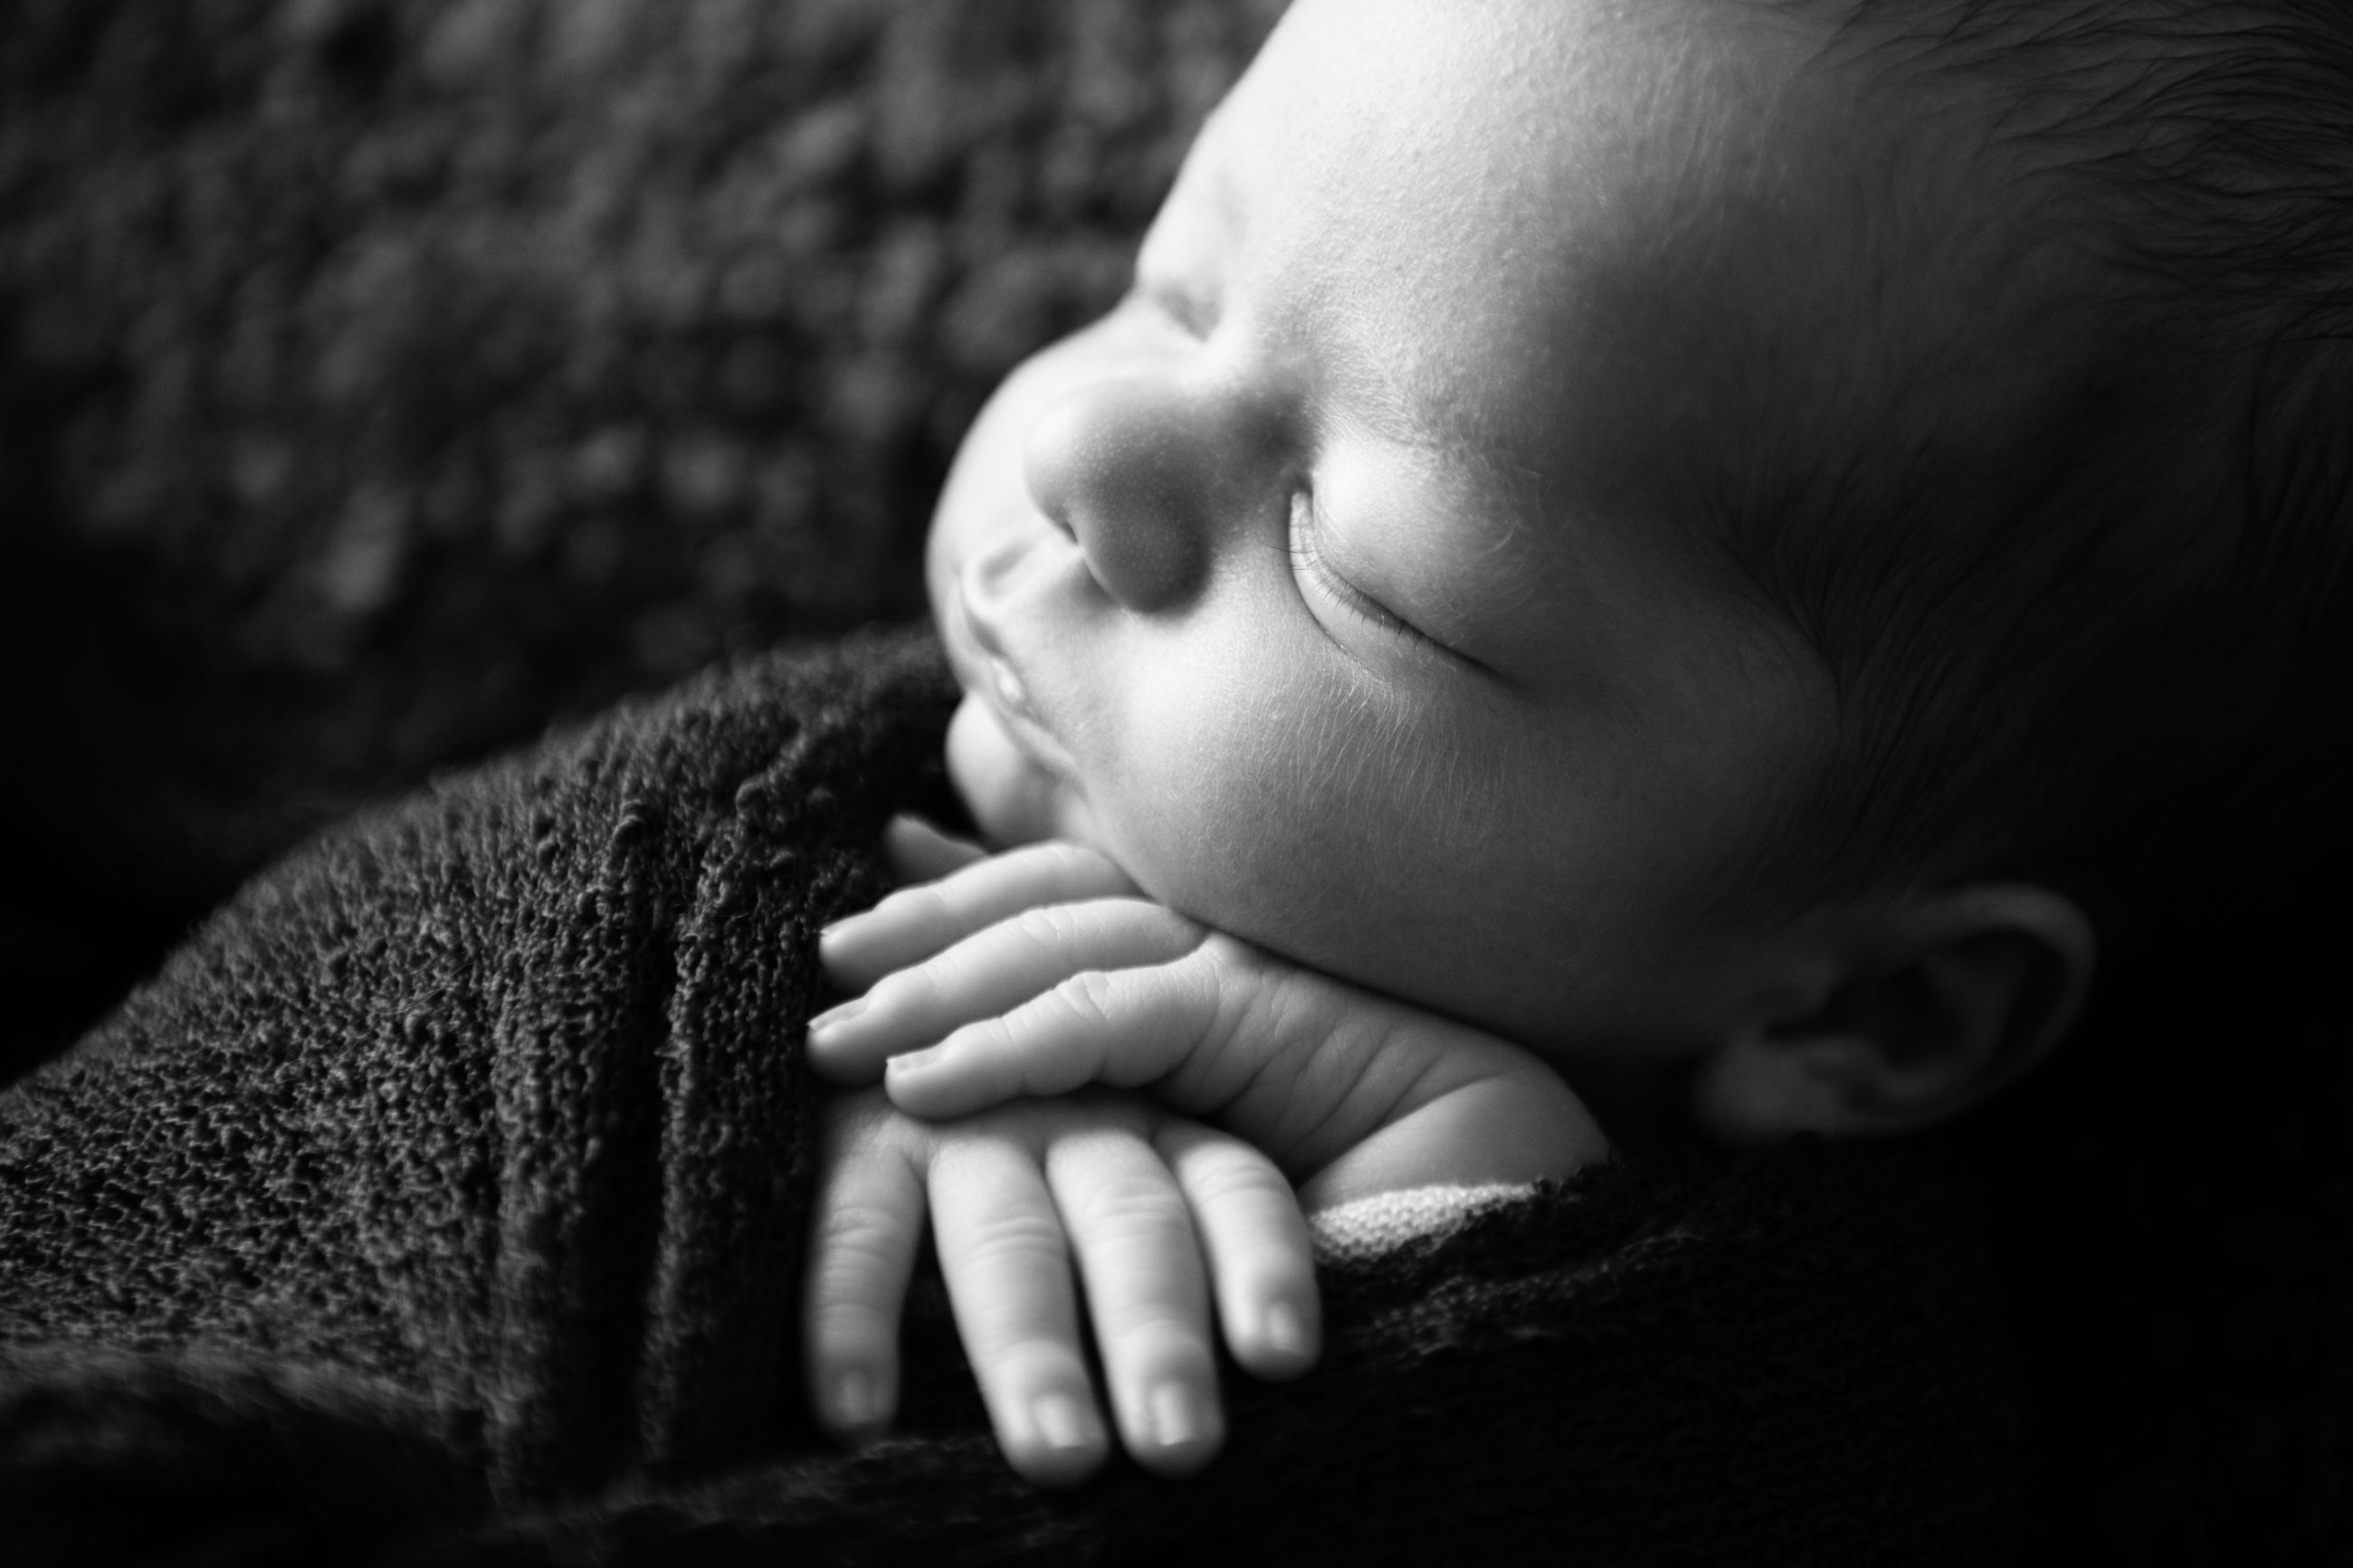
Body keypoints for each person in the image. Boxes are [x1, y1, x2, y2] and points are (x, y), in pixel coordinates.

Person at [786, 0, 2353, 1492]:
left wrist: (1448, 1229)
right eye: (1172, 294)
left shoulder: (1782, 1420)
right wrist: (794, 1111)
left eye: (1360, 568)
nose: (1078, 443)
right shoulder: (815, 789)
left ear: (1879, 1011)